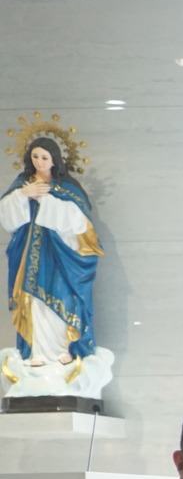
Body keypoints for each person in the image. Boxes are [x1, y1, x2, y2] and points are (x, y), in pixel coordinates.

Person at [1, 132, 114, 398]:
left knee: (62, 300)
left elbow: (79, 223)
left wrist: (46, 201)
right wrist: (23, 195)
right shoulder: (23, 184)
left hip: (61, 260)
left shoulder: (67, 188)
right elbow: (6, 216)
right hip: (28, 258)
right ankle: (37, 353)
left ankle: (65, 350)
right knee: (33, 302)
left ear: (55, 160)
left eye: (44, 157)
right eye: (35, 157)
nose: (39, 162)